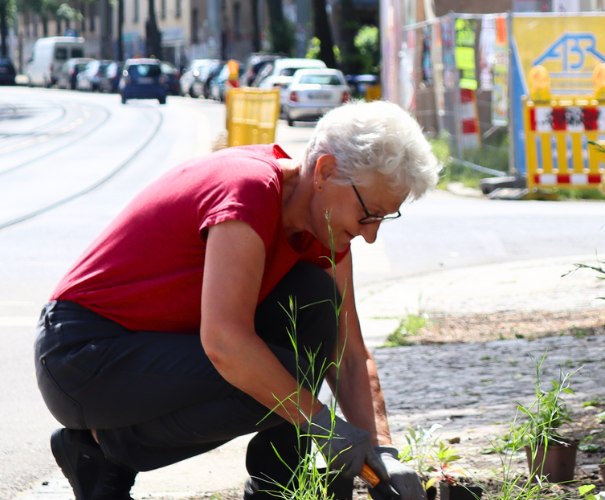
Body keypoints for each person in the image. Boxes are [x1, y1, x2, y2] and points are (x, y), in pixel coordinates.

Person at [35, 101, 438, 500]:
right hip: (81, 357)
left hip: (157, 350)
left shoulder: (325, 229)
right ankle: (103, 453)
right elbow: (226, 344)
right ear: (325, 171)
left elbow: (349, 355)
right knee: (273, 378)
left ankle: (277, 486)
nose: (370, 235)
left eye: (385, 218)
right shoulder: (248, 191)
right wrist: (322, 424)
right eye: (369, 214)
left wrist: (383, 452)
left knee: (314, 300)